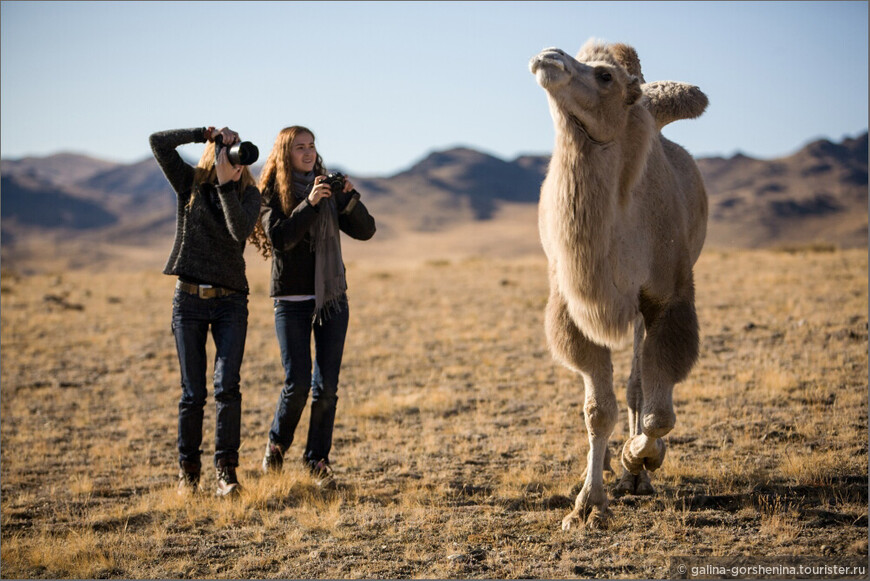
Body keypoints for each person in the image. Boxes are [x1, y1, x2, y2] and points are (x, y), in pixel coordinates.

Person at [250, 126, 376, 488]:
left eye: (311, 146)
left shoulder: (327, 188)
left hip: (332, 299)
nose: (307, 152)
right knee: (298, 382)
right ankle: (276, 445)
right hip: (291, 301)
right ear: (285, 154)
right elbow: (281, 238)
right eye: (299, 147)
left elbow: (367, 231)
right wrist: (311, 204)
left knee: (327, 387)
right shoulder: (272, 193)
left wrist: (349, 198)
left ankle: (316, 460)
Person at [149, 126, 261, 497]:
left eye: (240, 154)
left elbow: (238, 232)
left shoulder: (248, 194)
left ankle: (226, 473)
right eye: (230, 153)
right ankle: (189, 473)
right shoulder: (190, 183)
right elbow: (158, 143)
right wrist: (203, 133)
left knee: (227, 387)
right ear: (214, 154)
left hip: (231, 302)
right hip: (189, 300)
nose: (237, 160)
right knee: (193, 392)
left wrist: (228, 184)